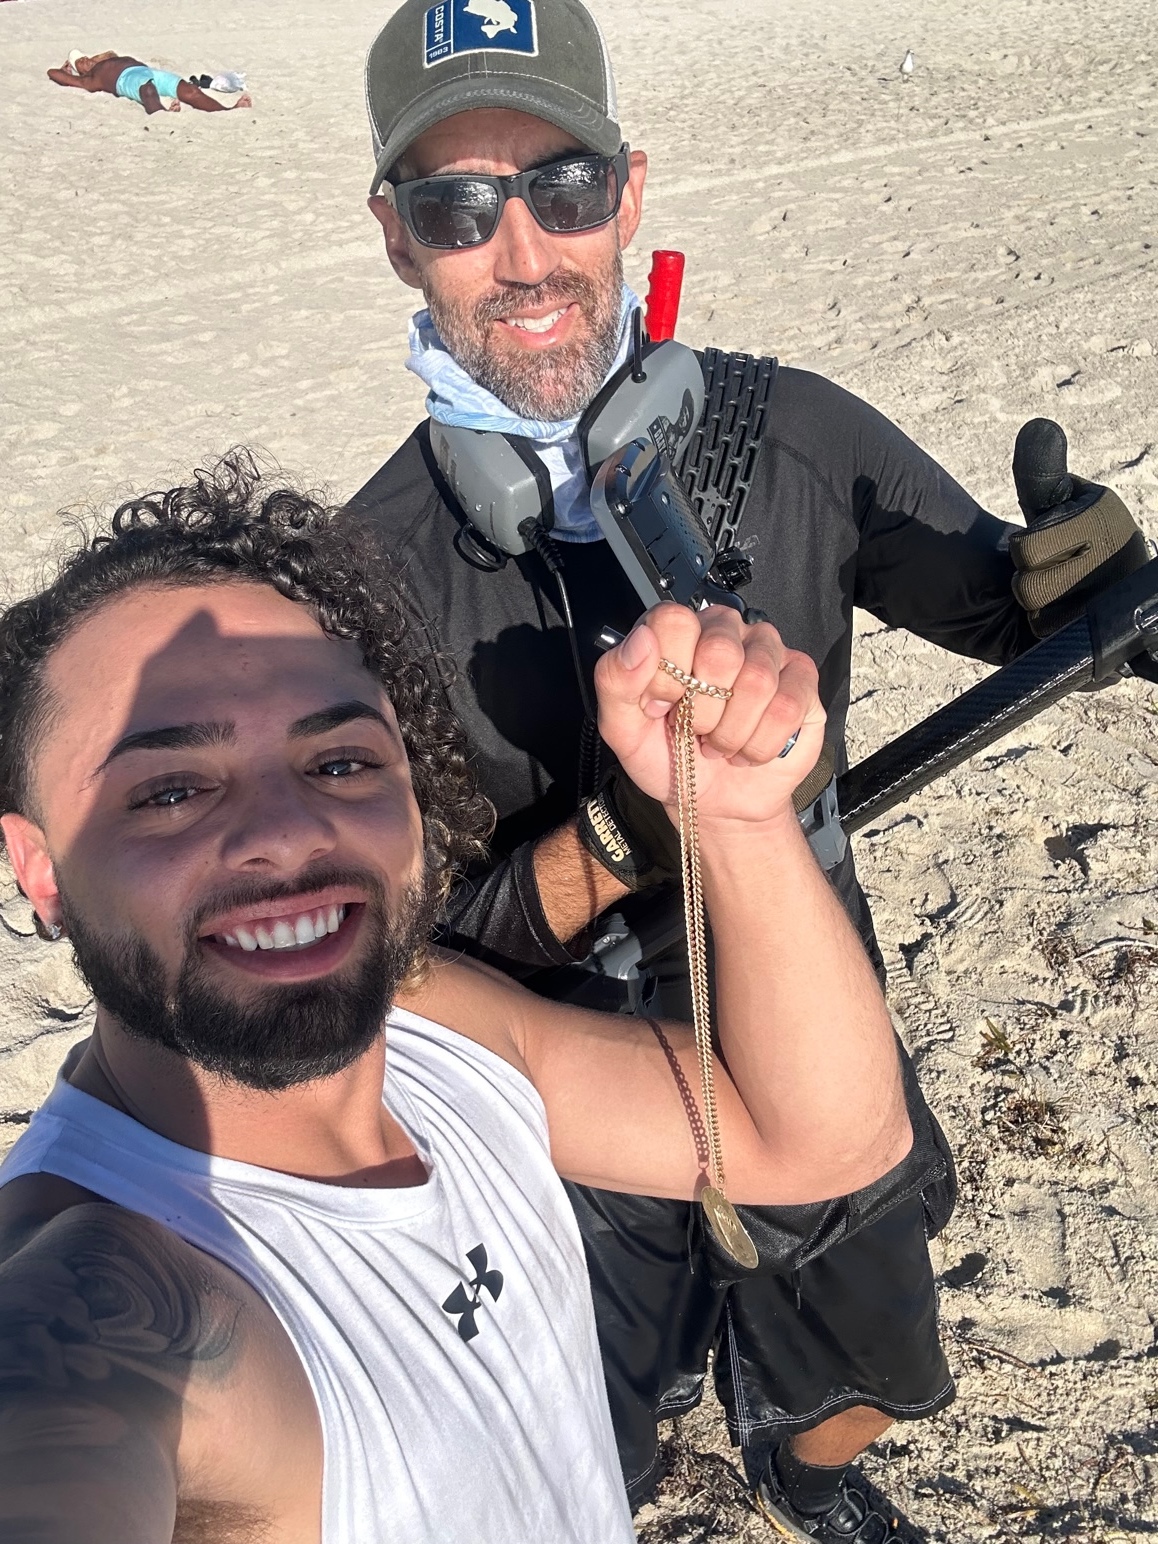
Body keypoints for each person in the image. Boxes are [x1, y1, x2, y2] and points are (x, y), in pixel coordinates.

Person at [344, 1, 1152, 1538]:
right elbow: (412, 968)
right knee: (600, 1413)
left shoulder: (789, 435)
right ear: (398, 239)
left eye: (562, 188)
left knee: (862, 1352)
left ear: (629, 193)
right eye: (459, 206)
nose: (522, 251)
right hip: (569, 1086)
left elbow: (998, 597)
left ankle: (804, 1466)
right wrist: (614, 843)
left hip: (809, 1011)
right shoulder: (363, 577)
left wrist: (1078, 575)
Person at [0, 454, 910, 1541]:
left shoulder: (432, 1021)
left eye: (339, 761)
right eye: (173, 789)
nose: (289, 833)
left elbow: (816, 1141)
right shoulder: (106, 1294)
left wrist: (742, 815)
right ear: (39, 865)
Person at [47, 52, 252, 114]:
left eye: (84, 56)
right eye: (79, 62)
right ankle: (161, 114)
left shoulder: (109, 59)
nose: (84, 60)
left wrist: (98, 59)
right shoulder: (91, 79)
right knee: (147, 89)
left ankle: (227, 111)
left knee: (189, 90)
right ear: (80, 72)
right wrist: (68, 71)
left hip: (149, 71)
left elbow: (110, 54)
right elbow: (53, 73)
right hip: (127, 81)